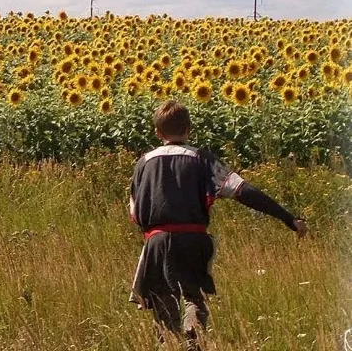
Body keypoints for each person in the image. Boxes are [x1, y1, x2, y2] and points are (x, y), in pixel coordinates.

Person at [129, 100, 306, 350]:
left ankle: (167, 344)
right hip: (193, 240)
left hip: (155, 242)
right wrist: (288, 218)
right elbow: (243, 190)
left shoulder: (143, 163)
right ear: (189, 129)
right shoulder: (201, 159)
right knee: (193, 297)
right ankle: (194, 343)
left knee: (163, 304)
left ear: (158, 133)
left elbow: (135, 213)